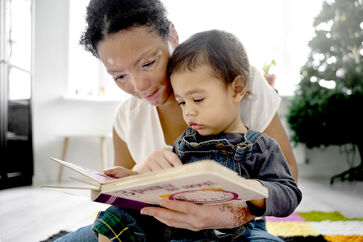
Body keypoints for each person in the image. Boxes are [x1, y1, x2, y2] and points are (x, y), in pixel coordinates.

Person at [56, 0, 299, 241]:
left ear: (172, 36)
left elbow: (287, 181)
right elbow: (127, 203)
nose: (139, 86)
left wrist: (232, 213)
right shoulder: (127, 117)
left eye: (148, 63)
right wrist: (138, 174)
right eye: (119, 76)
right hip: (156, 229)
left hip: (237, 231)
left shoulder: (234, 80)